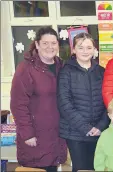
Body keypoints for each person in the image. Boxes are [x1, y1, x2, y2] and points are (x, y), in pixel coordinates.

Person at [10, 26, 67, 172]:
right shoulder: (25, 69)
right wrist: (27, 134)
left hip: (55, 135)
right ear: (37, 44)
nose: (50, 47)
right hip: (35, 136)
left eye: (53, 43)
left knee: (52, 167)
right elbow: (18, 105)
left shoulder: (61, 66)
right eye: (45, 43)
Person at [57, 33, 109, 172]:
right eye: (81, 47)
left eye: (89, 47)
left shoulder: (102, 72)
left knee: (97, 167)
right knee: (81, 169)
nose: (85, 51)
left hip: (99, 131)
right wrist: (86, 128)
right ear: (74, 50)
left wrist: (101, 126)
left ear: (94, 49)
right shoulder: (66, 72)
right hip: (75, 133)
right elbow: (64, 103)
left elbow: (108, 101)